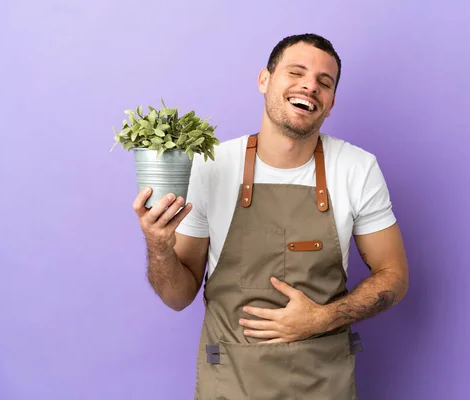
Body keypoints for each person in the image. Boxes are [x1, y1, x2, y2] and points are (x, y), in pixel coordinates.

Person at [132, 33, 409, 400]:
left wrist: (323, 318)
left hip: (323, 385)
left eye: (323, 83)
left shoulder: (357, 168)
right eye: (296, 73)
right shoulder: (211, 166)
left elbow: (395, 276)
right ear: (264, 80)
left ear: (331, 103)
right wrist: (158, 246)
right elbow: (178, 296)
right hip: (230, 385)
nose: (310, 86)